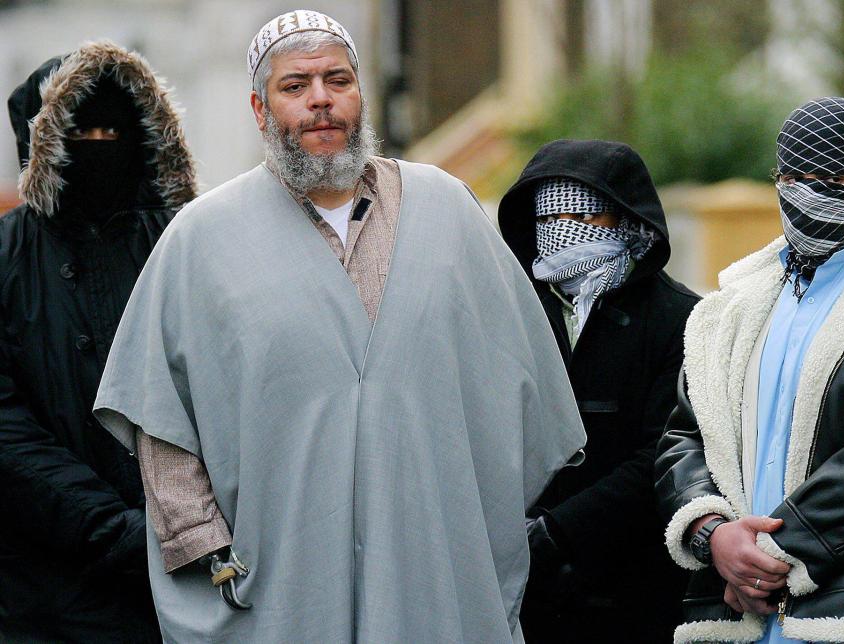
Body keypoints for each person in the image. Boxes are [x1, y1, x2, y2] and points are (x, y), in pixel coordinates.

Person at [93, 11, 586, 643]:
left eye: (338, 80)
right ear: (260, 108)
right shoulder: (200, 239)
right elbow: (159, 414)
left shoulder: (448, 209)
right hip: (277, 577)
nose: (321, 100)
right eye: (295, 86)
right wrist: (203, 546)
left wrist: (471, 518)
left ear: (361, 94)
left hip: (432, 562)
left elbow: (522, 385)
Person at [655, 96, 844, 643]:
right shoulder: (735, 306)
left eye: (837, 177)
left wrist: (770, 555)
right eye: (796, 178)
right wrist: (712, 535)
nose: (813, 195)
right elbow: (686, 434)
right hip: (745, 619)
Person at [0, 41, 196, 641]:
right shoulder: (7, 257)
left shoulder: (185, 245)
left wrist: (188, 525)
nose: (101, 147)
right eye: (83, 132)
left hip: (184, 586)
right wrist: (113, 529)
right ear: (45, 146)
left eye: (117, 130)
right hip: (44, 599)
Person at [498, 140, 697, 642]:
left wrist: (560, 531)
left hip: (638, 590)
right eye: (550, 217)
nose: (563, 231)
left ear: (626, 220)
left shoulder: (683, 318)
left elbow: (667, 449)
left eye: (584, 217)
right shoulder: (511, 310)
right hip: (527, 592)